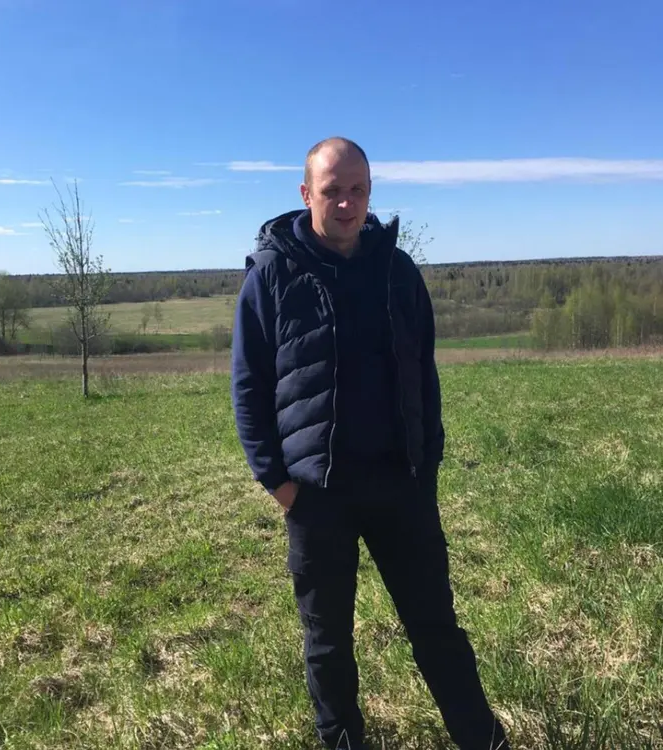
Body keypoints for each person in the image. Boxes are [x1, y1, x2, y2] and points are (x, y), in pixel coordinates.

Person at [231, 137, 510, 750]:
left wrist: (426, 466)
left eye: (357, 190)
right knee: (328, 643)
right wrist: (278, 483)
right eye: (332, 190)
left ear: (369, 194)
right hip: (317, 494)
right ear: (306, 194)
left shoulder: (397, 269)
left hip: (399, 486)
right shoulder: (272, 275)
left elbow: (424, 371)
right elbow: (248, 385)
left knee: (437, 628)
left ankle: (483, 741)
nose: (347, 203)